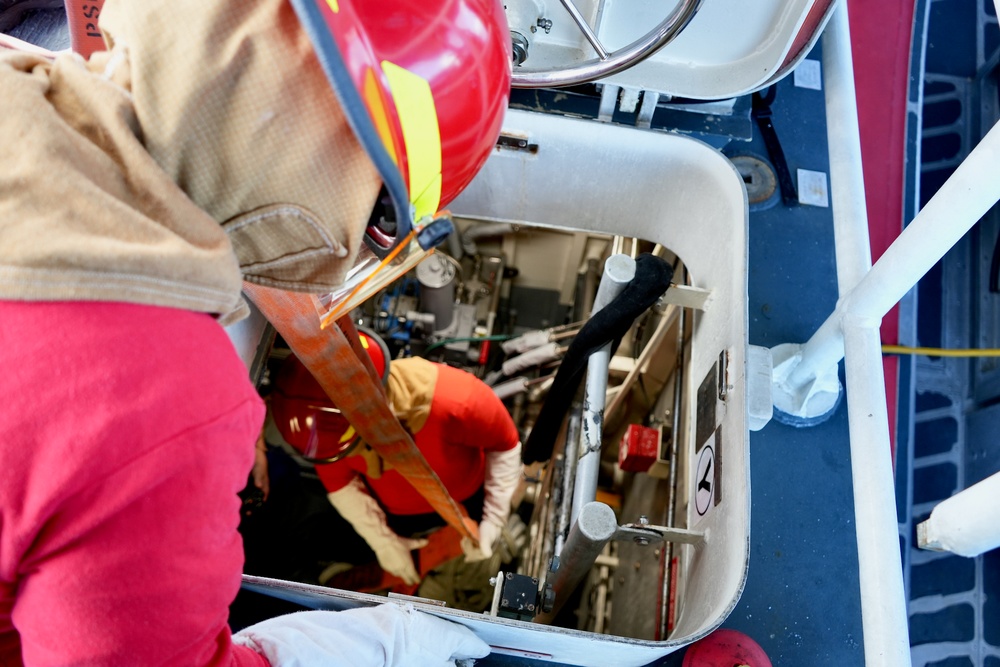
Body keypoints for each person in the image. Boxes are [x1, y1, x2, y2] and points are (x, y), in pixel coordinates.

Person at [0, 0, 510, 663]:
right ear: (338, 161)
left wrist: (474, 531)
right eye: (376, 222)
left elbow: (499, 452)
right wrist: (354, 646)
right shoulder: (163, 399)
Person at [268, 332, 523, 587]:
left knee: (475, 567)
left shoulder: (456, 400)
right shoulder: (329, 435)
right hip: (394, 514)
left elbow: (504, 446)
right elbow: (341, 485)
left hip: (468, 498)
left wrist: (494, 520)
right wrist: (384, 542)